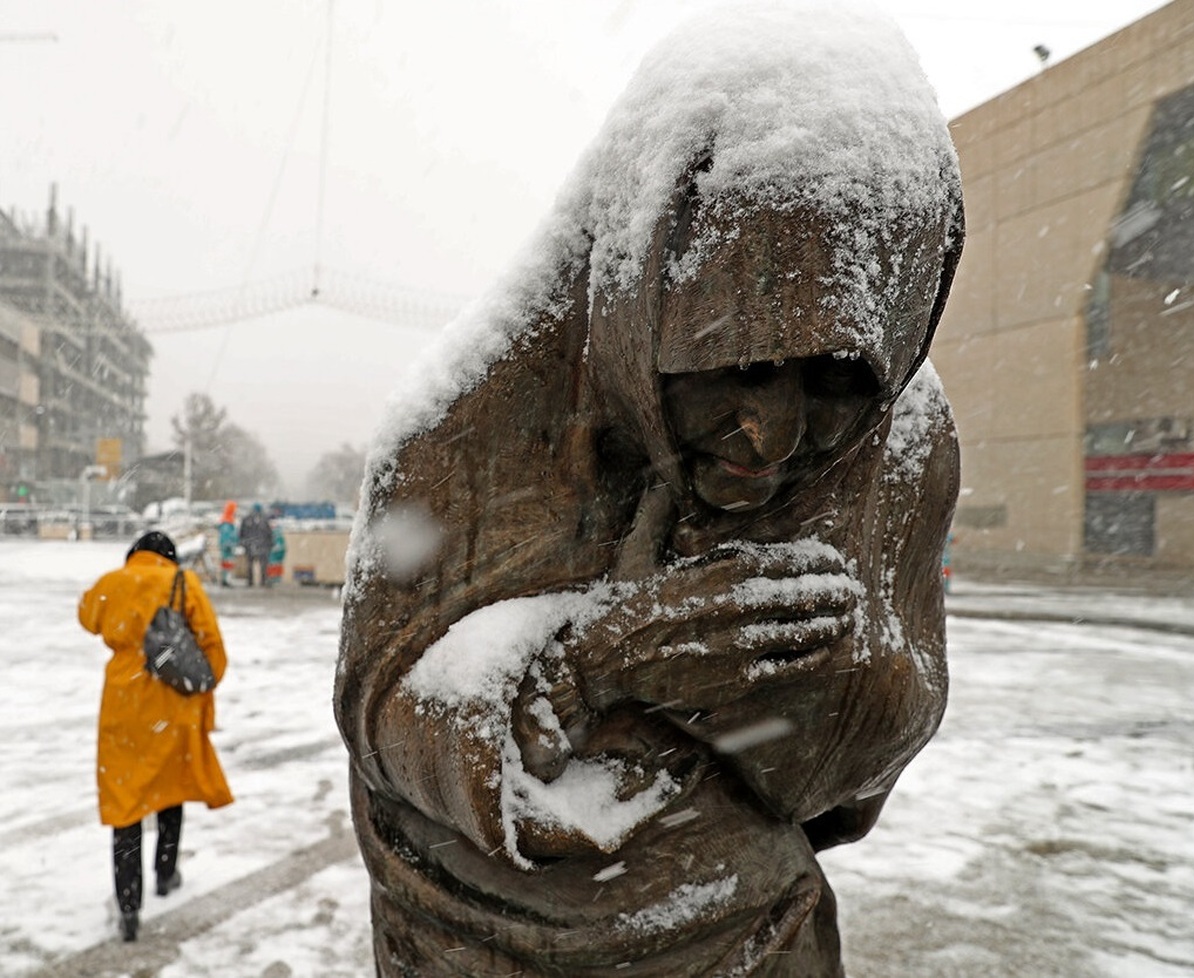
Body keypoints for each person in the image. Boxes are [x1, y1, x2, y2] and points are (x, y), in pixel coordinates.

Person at [336, 5, 963, 975]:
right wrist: (595, 662)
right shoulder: (460, 432)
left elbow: (862, 764)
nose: (775, 434)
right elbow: (384, 717)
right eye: (738, 368)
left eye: (837, 383)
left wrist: (779, 690)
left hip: (751, 928)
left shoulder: (902, 447)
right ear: (641, 298)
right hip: (476, 939)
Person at [78, 530, 233, 942]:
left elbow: (87, 616)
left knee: (126, 806)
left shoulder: (112, 583)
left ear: (135, 555)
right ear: (169, 556)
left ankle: (129, 905)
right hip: (172, 707)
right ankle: (166, 874)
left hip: (123, 708)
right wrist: (200, 684)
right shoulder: (184, 583)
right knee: (171, 790)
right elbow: (214, 650)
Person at [238, 503, 273, 587]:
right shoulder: (264, 519)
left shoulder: (246, 519)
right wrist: (270, 544)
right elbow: (269, 533)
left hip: (250, 544)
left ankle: (250, 581)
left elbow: (241, 533)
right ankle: (263, 581)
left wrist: (243, 542)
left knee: (250, 564)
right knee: (263, 565)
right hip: (262, 545)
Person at [217, 500, 238, 587]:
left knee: (226, 563)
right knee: (227, 564)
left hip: (226, 546)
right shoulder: (227, 522)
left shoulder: (226, 520)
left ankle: (225, 579)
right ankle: (226, 580)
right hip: (228, 547)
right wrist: (229, 544)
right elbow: (227, 536)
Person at [267, 518, 287, 586]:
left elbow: (278, 543)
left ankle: (274, 578)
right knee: (276, 564)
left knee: (273, 564)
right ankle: (276, 578)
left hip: (276, 551)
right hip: (279, 551)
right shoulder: (278, 531)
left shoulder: (275, 532)